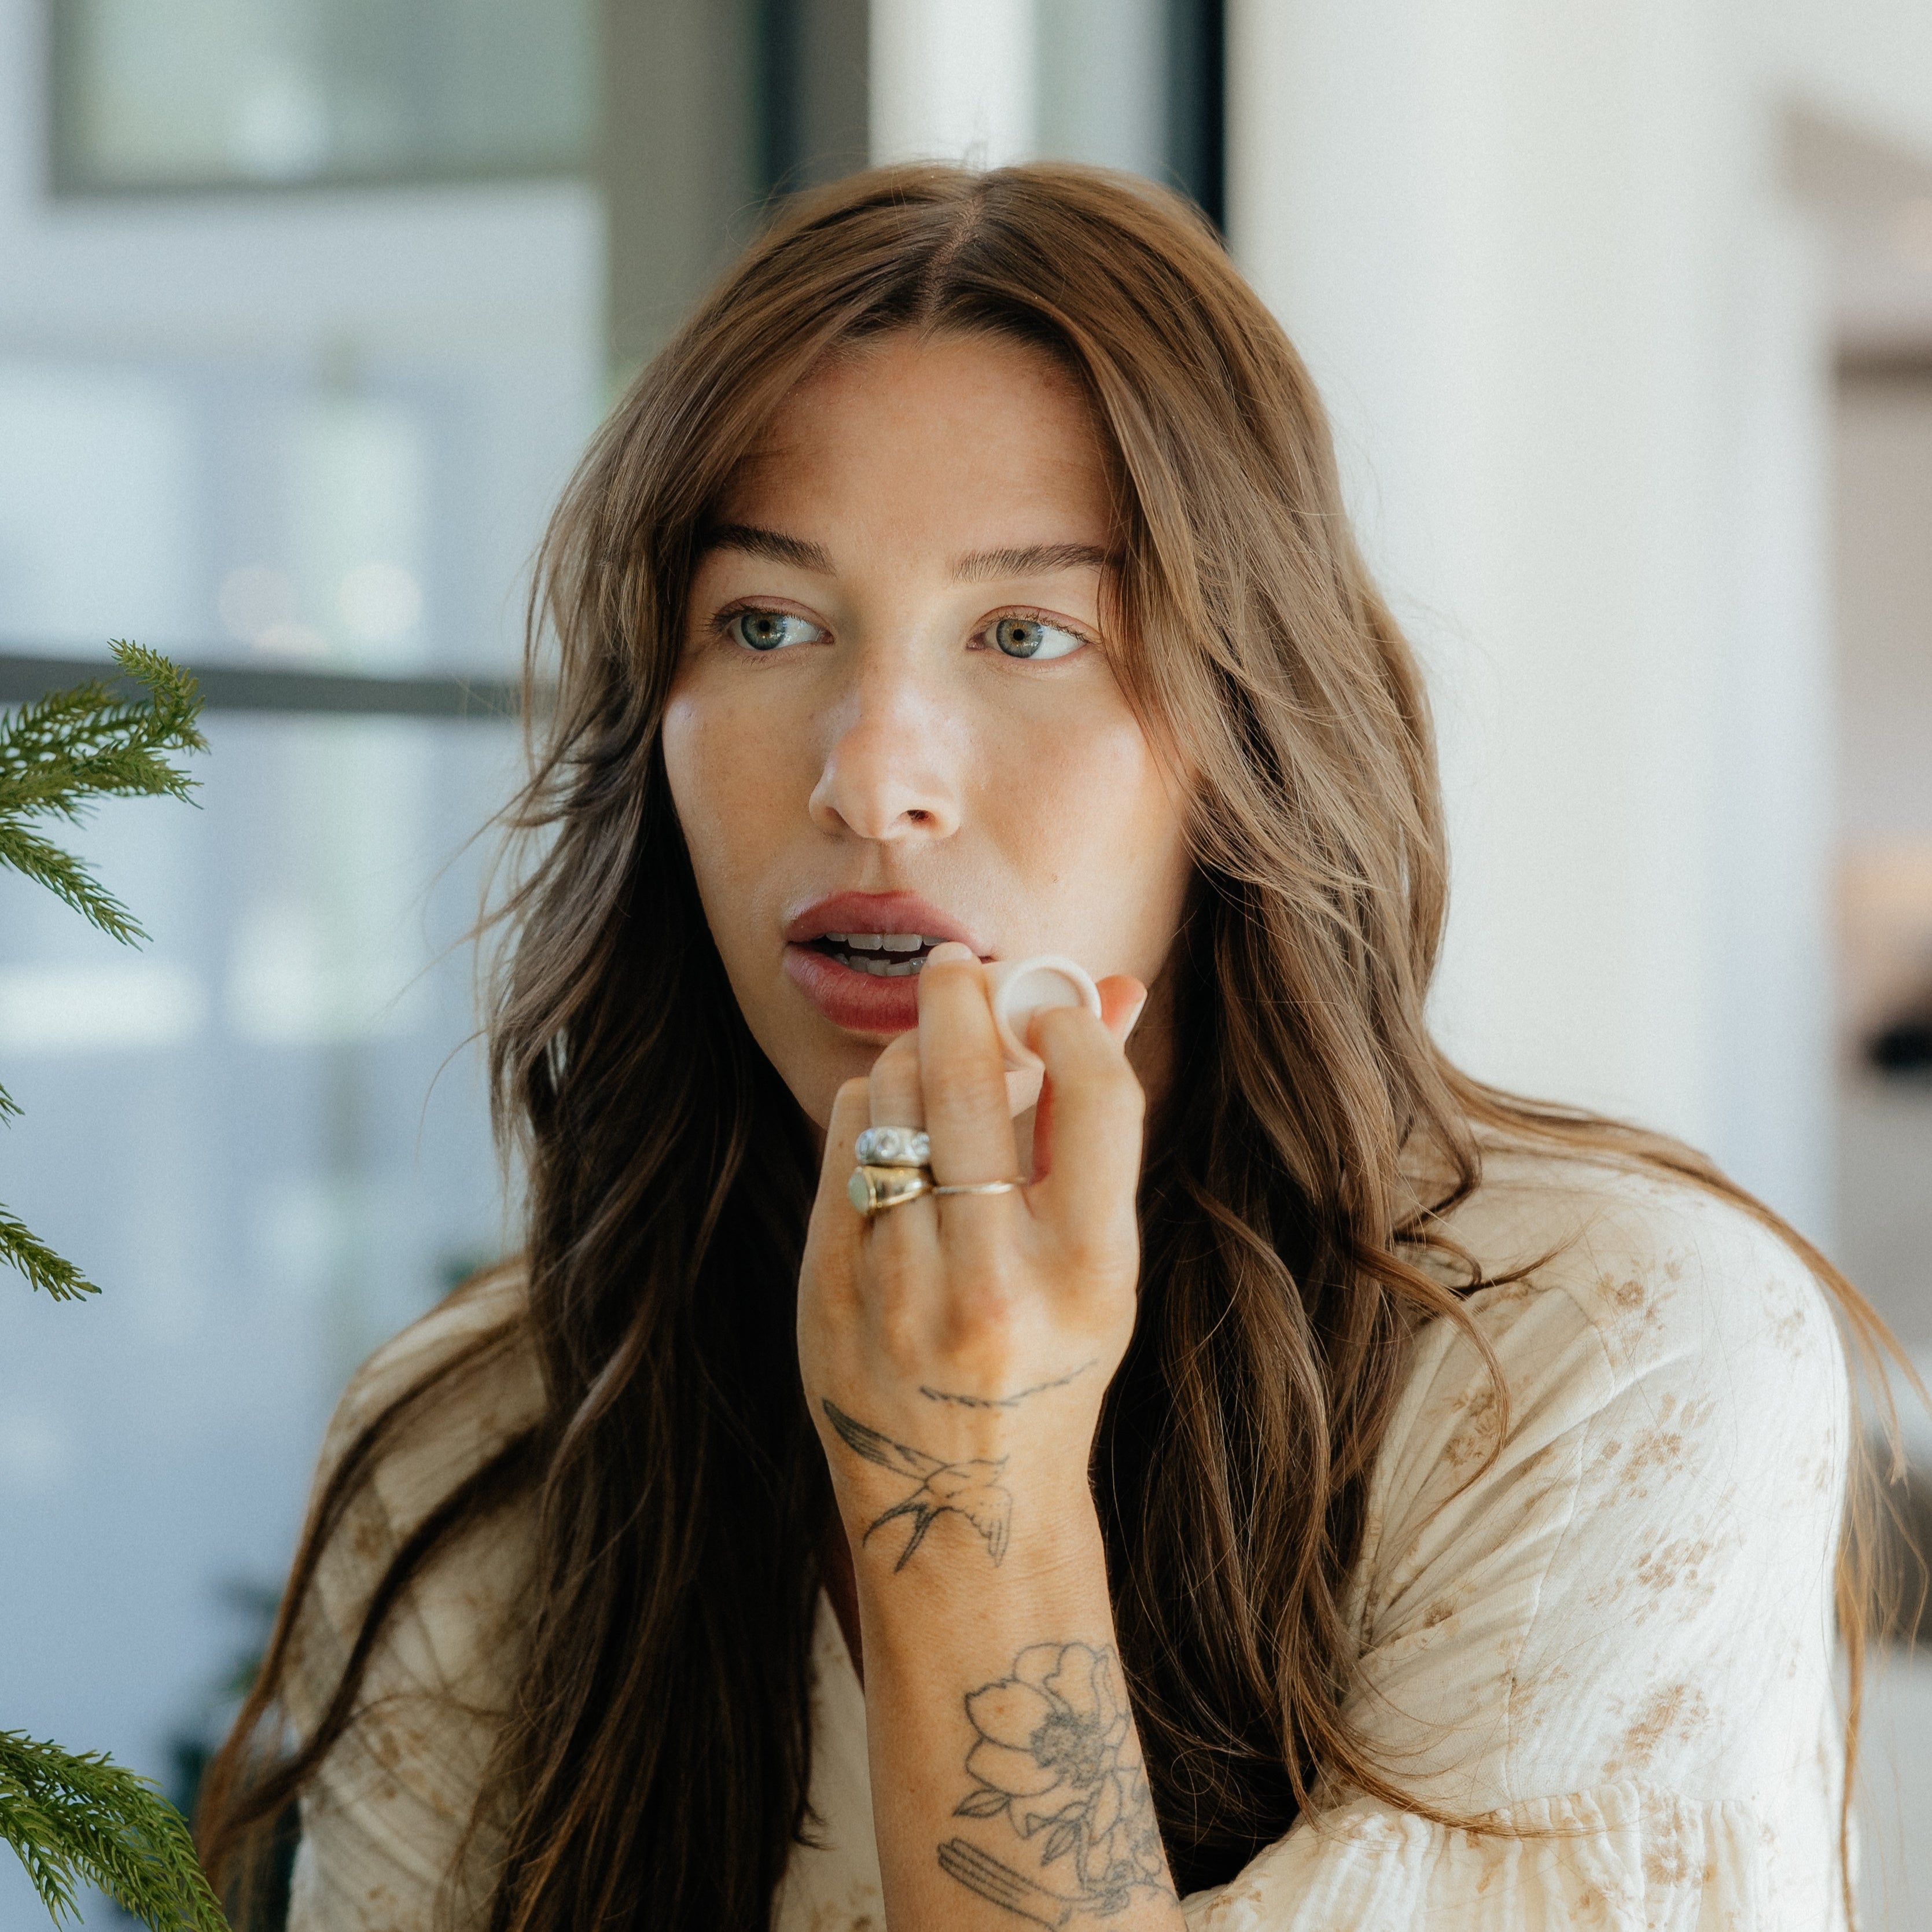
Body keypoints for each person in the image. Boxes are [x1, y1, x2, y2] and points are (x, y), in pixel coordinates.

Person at [200, 162, 1904, 1932]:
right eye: (766, 623)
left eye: (1027, 633)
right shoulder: (480, 1437)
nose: (872, 777)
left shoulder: (1603, 1354)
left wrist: (969, 1483)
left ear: (1243, 737)